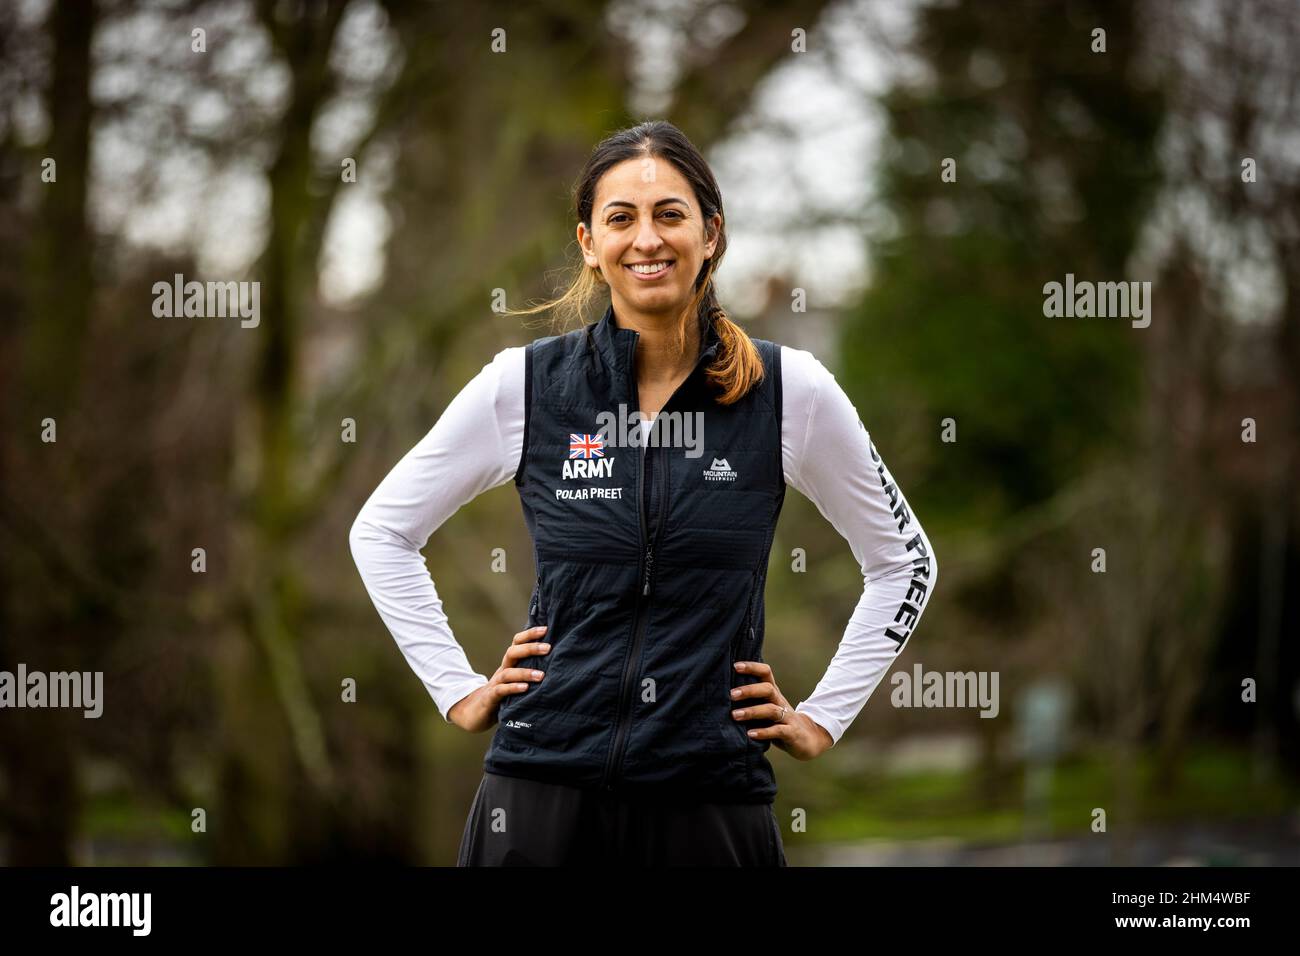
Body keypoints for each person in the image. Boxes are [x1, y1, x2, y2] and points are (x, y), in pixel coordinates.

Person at [349, 120, 939, 866]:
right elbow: (381, 533)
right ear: (590, 243)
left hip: (710, 800)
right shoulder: (524, 386)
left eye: (670, 214)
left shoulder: (793, 393)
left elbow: (906, 562)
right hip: (539, 800)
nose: (647, 240)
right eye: (620, 218)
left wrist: (825, 717)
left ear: (711, 232)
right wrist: (455, 686)